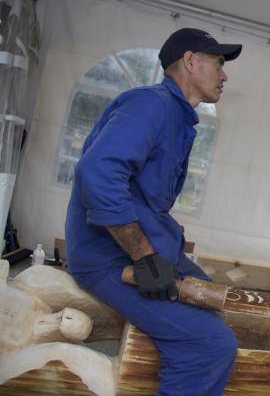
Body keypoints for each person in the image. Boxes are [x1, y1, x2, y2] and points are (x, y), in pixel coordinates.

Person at [65, 28, 242, 395]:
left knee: (216, 301)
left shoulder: (177, 116)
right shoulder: (151, 105)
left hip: (149, 247)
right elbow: (97, 173)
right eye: (219, 64)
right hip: (107, 258)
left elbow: (147, 198)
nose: (224, 76)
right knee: (210, 345)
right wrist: (145, 256)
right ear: (190, 61)